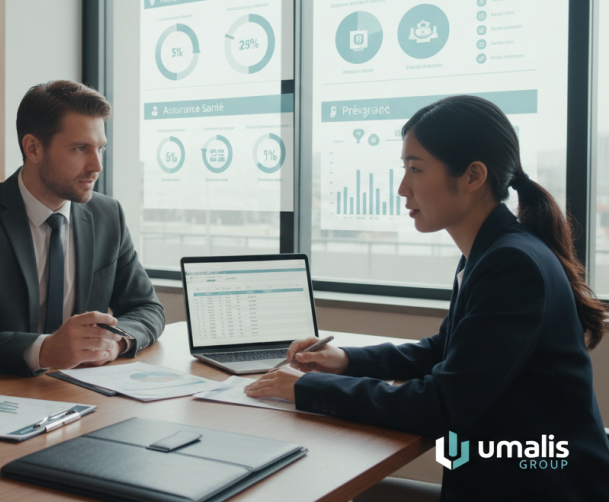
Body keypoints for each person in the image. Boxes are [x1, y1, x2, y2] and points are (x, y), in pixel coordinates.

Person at [245, 95, 609, 501]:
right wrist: (344, 360)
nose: (403, 188)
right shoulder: (490, 252)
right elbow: (445, 351)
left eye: (415, 169)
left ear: (473, 176)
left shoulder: (512, 264)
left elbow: (442, 405)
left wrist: (305, 389)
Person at [0, 80, 165, 376]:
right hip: (6, 393)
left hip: (84, 389)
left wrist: (115, 342)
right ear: (33, 148)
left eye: (100, 148)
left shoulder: (108, 215)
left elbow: (148, 308)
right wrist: (44, 350)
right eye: (81, 148)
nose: (97, 166)